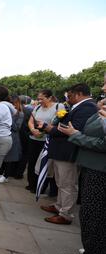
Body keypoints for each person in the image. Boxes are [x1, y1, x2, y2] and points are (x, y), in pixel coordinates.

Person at [57, 97, 106, 254]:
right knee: (93, 214)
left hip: (100, 170)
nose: (103, 88)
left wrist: (76, 135)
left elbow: (102, 143)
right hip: (93, 167)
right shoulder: (99, 108)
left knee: (93, 214)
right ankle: (95, 251)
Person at [37, 83, 98, 225]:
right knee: (61, 182)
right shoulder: (79, 107)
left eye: (69, 96)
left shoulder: (87, 107)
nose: (67, 99)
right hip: (61, 151)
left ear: (78, 94)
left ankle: (66, 214)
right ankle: (59, 206)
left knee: (68, 184)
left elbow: (74, 129)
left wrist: (49, 128)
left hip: (68, 152)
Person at [26, 90, 59, 193]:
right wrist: (32, 130)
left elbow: (59, 123)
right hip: (34, 138)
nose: (39, 101)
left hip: (47, 140)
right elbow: (31, 121)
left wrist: (45, 130)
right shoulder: (37, 107)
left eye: (42, 99)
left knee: (44, 164)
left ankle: (42, 187)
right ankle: (32, 185)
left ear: (49, 98)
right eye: (38, 99)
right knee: (32, 162)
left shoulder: (58, 107)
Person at [0, 95, 24, 183]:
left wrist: (10, 118)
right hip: (4, 136)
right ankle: (1, 173)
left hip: (13, 137)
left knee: (10, 158)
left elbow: (17, 127)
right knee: (3, 156)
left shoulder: (20, 114)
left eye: (13, 104)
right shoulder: (6, 112)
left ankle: (6, 176)